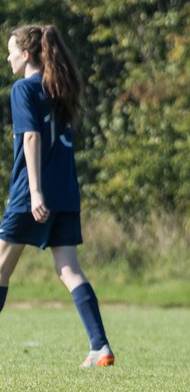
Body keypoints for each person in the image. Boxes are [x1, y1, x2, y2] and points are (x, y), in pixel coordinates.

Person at [1, 25, 114, 368]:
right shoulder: (59, 89)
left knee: (1, 269)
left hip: (31, 193)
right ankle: (100, 347)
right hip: (66, 191)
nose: (7, 58)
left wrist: (35, 192)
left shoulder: (23, 89)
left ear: (26, 55)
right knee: (68, 269)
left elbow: (32, 139)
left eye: (10, 51)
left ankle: (99, 347)